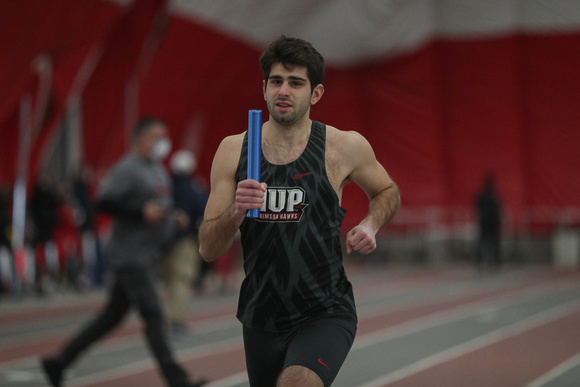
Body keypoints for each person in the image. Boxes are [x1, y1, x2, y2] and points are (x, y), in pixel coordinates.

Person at [198, 36, 400, 387]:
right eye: (276, 81)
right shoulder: (234, 150)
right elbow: (207, 248)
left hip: (324, 310)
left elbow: (387, 190)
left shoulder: (343, 146)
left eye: (295, 83)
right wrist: (236, 211)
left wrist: (371, 223)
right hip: (261, 315)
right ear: (263, 88)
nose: (284, 91)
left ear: (316, 93)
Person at [40, 118, 206, 387]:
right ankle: (177, 380)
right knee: (153, 313)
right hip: (131, 257)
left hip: (148, 254)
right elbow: (103, 202)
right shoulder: (127, 169)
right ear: (140, 138)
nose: (162, 143)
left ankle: (59, 361)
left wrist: (171, 217)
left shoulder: (156, 170)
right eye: (156, 136)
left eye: (164, 136)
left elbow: (155, 206)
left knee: (112, 316)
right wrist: (140, 213)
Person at [161, 150, 208, 337]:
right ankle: (175, 321)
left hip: (162, 242)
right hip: (185, 244)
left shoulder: (164, 186)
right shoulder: (194, 190)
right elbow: (205, 210)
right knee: (181, 281)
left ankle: (164, 318)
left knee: (167, 282)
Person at [475, 172, 502, 269]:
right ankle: (495, 259)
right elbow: (497, 209)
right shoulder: (494, 196)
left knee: (483, 241)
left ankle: (480, 259)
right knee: (492, 241)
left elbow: (477, 208)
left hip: (484, 221)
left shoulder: (481, 195)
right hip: (491, 222)